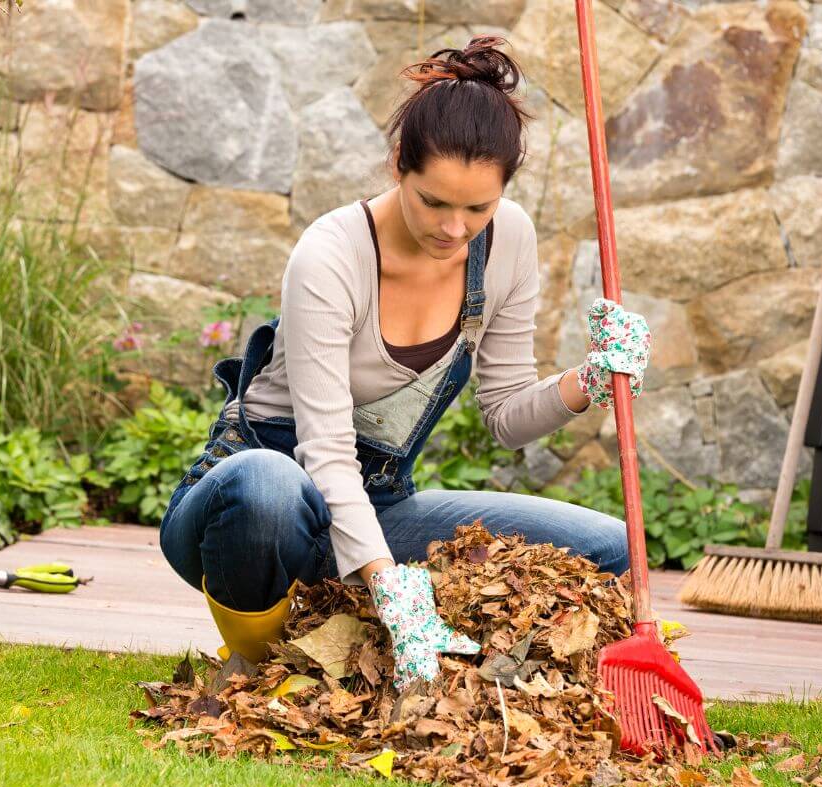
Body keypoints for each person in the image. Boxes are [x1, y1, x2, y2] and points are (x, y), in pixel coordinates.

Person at [158, 36, 649, 690]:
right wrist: (395, 589)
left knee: (608, 548)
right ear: (399, 165)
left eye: (478, 207)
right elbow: (325, 453)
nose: (454, 229)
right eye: (434, 203)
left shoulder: (509, 242)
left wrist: (589, 381)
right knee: (265, 488)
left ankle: (419, 657)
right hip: (256, 510)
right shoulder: (331, 256)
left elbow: (505, 416)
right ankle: (259, 667)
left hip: (377, 505)